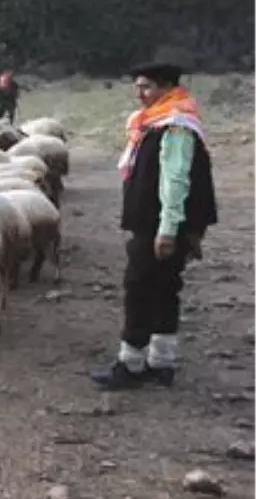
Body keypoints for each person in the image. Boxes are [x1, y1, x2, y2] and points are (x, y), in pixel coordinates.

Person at [90, 62, 218, 391]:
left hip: (157, 225)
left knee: (140, 288)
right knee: (164, 287)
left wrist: (167, 228)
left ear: (166, 87)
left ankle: (131, 363)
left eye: (146, 87)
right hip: (160, 223)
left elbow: (175, 181)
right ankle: (161, 361)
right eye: (137, 87)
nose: (140, 94)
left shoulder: (175, 126)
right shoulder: (161, 122)